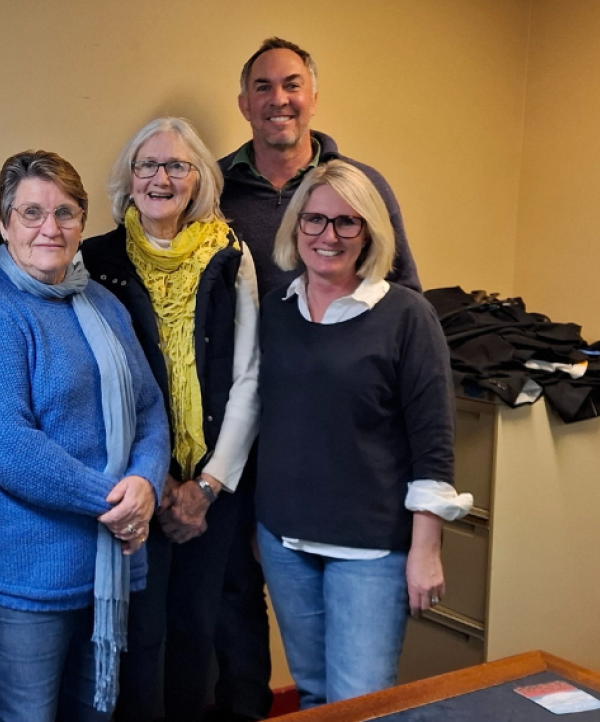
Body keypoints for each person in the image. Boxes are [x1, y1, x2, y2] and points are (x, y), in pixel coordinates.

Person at [212, 38, 423, 722]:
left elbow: (403, 304)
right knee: (257, 631)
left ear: (313, 95)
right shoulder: (214, 190)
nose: (280, 100)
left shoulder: (359, 185)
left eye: (293, 85)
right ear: (244, 103)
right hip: (261, 451)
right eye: (265, 88)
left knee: (358, 692)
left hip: (355, 467)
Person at [0, 150, 170, 722]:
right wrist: (116, 504)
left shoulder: (103, 304)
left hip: (107, 561)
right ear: (3, 223)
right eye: (31, 213)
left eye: (66, 213)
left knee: (95, 714)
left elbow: (148, 409)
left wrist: (145, 481)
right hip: (21, 572)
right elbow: (5, 444)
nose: (51, 227)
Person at [256, 159, 471, 708]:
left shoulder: (406, 315)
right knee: (312, 696)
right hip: (285, 541)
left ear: (371, 231)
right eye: (315, 220)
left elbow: (433, 446)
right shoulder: (275, 311)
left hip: (372, 550)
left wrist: (426, 551)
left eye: (347, 223)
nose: (328, 236)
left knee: (361, 704)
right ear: (296, 226)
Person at [79, 118, 260, 722]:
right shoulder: (95, 260)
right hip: (134, 486)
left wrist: (207, 486)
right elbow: (95, 382)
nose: (162, 178)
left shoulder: (233, 257)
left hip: (214, 487)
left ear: (201, 180)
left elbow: (250, 376)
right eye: (147, 165)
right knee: (140, 634)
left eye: (178, 166)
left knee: (195, 631)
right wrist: (157, 484)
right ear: (129, 180)